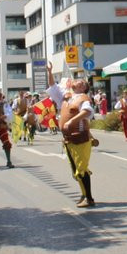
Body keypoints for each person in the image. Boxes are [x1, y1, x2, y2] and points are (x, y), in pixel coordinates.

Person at [48, 64, 95, 208]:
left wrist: (72, 121)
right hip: (68, 140)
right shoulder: (66, 96)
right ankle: (84, 194)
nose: (78, 81)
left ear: (83, 88)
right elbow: (52, 86)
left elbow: (87, 112)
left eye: (82, 82)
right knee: (75, 171)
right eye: (78, 80)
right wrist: (50, 71)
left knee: (81, 168)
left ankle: (89, 198)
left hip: (80, 138)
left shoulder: (83, 98)